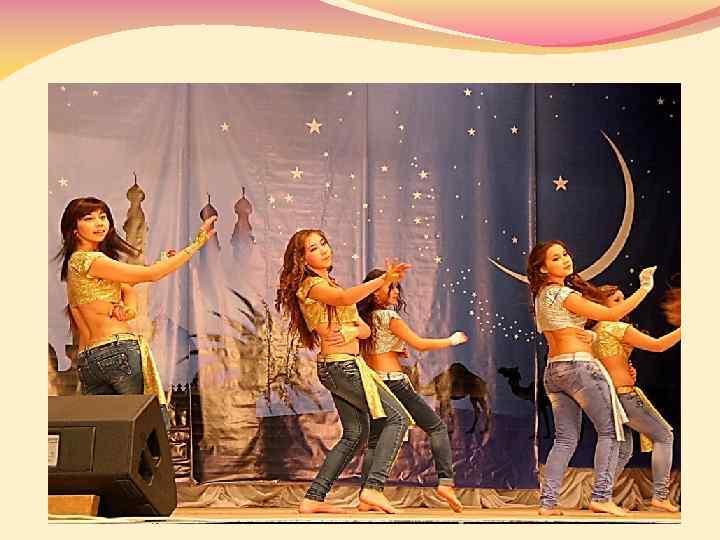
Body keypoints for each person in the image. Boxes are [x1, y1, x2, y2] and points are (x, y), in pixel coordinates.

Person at [275, 229, 413, 514]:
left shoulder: (330, 284)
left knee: (356, 432)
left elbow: (364, 330)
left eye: (324, 243)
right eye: (314, 248)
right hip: (340, 366)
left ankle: (314, 498)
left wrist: (351, 330)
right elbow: (344, 298)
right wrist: (382, 280)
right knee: (397, 418)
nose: (323, 250)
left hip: (347, 364)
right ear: (303, 259)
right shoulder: (311, 286)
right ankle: (373, 488)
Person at [55, 197, 216, 424]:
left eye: (103, 217)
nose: (99, 223)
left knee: (106, 432)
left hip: (89, 360)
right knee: (142, 427)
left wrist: (128, 310)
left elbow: (128, 289)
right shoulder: (90, 260)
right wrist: (197, 243)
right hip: (117, 351)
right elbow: (151, 275)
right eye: (89, 218)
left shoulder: (76, 264)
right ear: (74, 229)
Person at [527, 239, 655, 516]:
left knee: (564, 439)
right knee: (611, 432)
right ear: (543, 268)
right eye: (556, 258)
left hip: (554, 370)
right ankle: (602, 496)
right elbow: (613, 313)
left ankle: (547, 503)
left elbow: (563, 330)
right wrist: (645, 288)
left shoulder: (540, 297)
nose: (565, 259)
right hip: (580, 368)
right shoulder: (563, 294)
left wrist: (590, 336)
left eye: (565, 254)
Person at [356, 268, 467, 512]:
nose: (396, 292)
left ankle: (366, 495)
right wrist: (452, 340)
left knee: (375, 440)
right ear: (374, 292)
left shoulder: (363, 319)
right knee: (436, 427)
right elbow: (420, 344)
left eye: (397, 287)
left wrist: (395, 350)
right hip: (394, 382)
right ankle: (445, 482)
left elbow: (374, 350)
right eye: (390, 287)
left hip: (373, 383)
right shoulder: (389, 316)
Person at [591, 284, 681, 512]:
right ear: (602, 306)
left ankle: (601, 497)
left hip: (606, 396)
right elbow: (659, 345)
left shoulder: (593, 333)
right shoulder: (617, 327)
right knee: (664, 436)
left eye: (623, 299)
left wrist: (624, 368)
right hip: (624, 395)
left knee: (623, 449)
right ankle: (660, 496)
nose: (624, 304)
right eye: (617, 301)